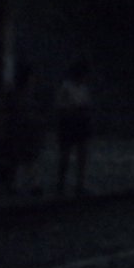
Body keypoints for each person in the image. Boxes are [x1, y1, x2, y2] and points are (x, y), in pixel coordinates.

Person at [0, 64, 46, 195]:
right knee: (21, 158)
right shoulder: (18, 94)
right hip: (20, 130)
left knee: (28, 158)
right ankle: (22, 184)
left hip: (27, 130)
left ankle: (29, 184)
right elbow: (7, 112)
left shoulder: (28, 93)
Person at [54, 59, 94, 196]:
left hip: (81, 122)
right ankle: (61, 184)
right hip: (69, 122)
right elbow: (61, 106)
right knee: (65, 155)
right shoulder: (66, 87)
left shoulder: (83, 87)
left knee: (82, 154)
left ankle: (79, 184)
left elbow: (87, 103)